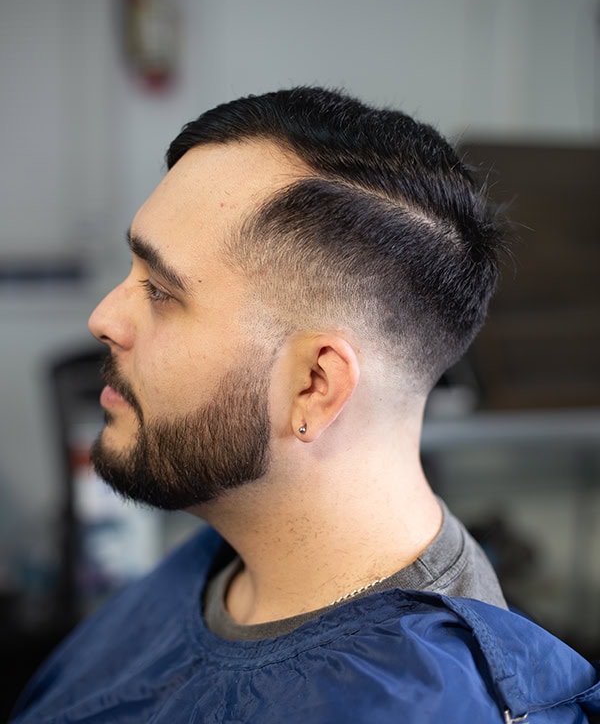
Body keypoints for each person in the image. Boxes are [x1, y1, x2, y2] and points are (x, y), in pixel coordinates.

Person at [11, 87, 600, 723]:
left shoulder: (428, 705)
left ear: (314, 385)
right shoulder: (228, 555)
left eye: (160, 291)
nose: (103, 318)